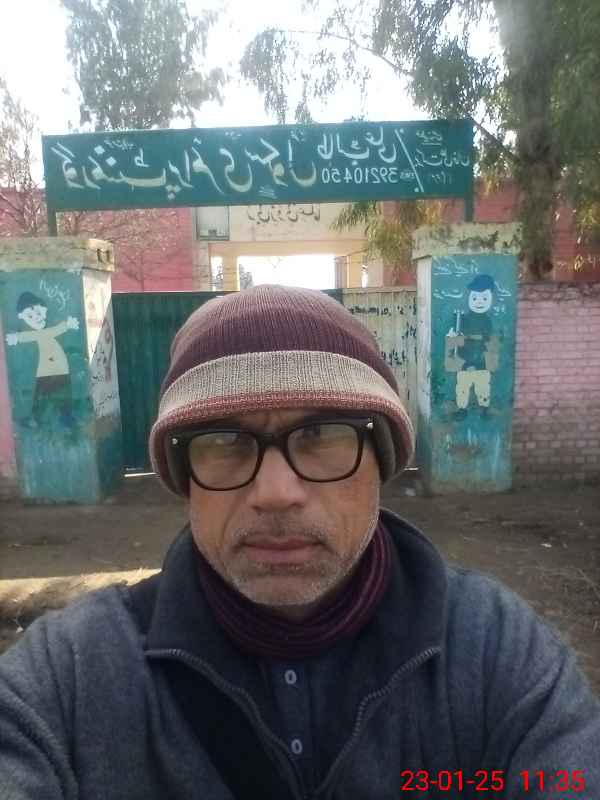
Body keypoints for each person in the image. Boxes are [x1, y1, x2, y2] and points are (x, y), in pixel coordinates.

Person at [0, 284, 598, 799]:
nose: (276, 492)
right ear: (185, 479)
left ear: (382, 460)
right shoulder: (69, 677)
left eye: (322, 435)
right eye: (224, 441)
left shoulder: (495, 653)